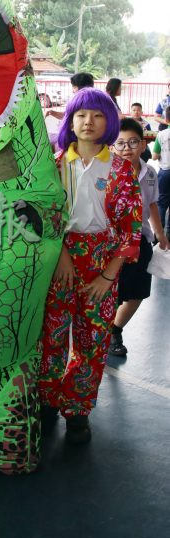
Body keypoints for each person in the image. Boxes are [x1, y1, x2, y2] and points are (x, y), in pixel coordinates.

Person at [38, 88, 142, 444]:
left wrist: (108, 275)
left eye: (97, 115)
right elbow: (46, 216)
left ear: (108, 122)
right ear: (70, 119)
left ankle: (79, 408)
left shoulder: (120, 168)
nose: (88, 122)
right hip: (58, 258)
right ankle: (48, 401)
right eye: (81, 114)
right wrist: (61, 255)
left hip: (102, 261)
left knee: (92, 339)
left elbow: (131, 227)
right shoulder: (52, 165)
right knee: (51, 336)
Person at [109, 119, 169, 356]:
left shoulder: (150, 173)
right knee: (109, 294)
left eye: (132, 142)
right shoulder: (106, 171)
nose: (126, 148)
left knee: (138, 292)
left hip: (139, 241)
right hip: (111, 244)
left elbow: (152, 205)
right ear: (112, 147)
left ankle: (115, 329)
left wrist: (160, 234)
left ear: (143, 144)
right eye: (120, 143)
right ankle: (98, 335)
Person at [152, 106, 170, 238]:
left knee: (162, 202)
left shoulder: (161, 135)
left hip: (165, 172)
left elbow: (154, 156)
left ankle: (159, 234)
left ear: (166, 119)